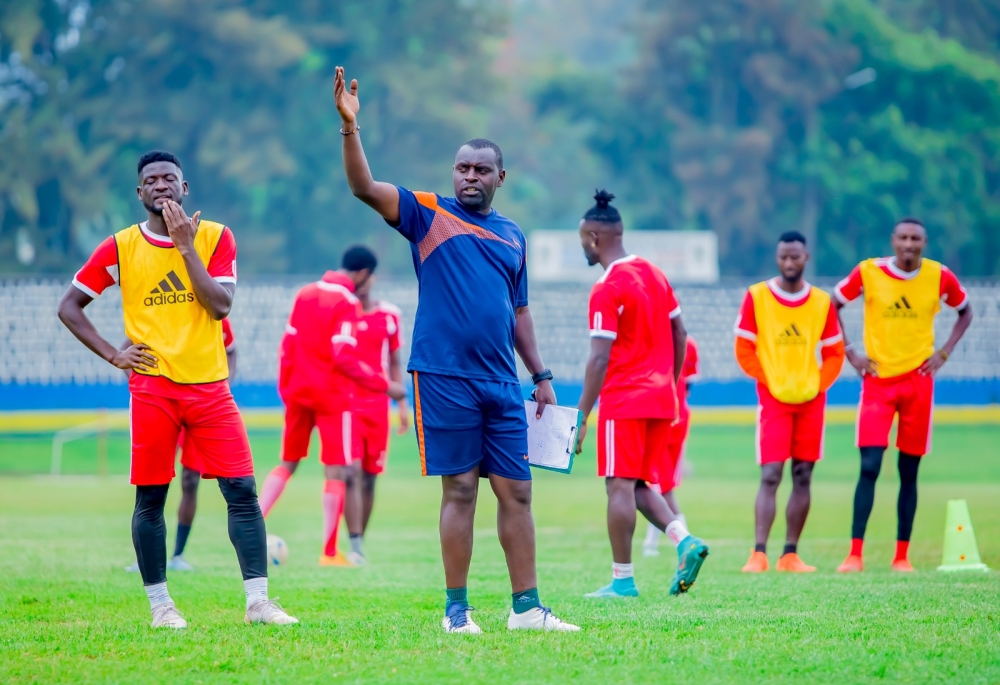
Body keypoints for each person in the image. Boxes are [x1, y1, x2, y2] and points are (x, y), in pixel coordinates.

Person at [334, 66, 578, 633]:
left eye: (481, 170)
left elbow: (518, 310)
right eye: (462, 167)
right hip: (443, 376)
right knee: (462, 489)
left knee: (518, 491)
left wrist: (539, 373)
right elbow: (363, 189)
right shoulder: (427, 212)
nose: (469, 176)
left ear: (500, 177)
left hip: (502, 382)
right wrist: (350, 127)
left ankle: (526, 610)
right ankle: (456, 612)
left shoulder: (514, 235)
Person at [57, 150, 296, 628]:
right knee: (151, 498)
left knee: (243, 492)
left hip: (210, 386)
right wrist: (114, 354)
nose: (161, 185)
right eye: (151, 180)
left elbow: (220, 307)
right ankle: (162, 608)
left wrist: (187, 248)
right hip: (152, 389)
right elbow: (69, 307)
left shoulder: (214, 237)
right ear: (140, 193)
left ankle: (258, 604)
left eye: (170, 178)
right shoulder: (120, 247)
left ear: (185, 189)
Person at [574, 190, 710, 599]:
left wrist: (581, 418)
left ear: (595, 237)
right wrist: (667, 381)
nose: (582, 245)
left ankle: (622, 581)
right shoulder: (654, 273)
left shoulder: (606, 286)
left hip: (625, 398)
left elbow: (599, 359)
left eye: (583, 238)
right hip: (661, 398)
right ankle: (685, 541)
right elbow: (680, 332)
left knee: (617, 485)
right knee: (637, 485)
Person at [834, 219, 973, 573]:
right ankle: (854, 554)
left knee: (908, 470)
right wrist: (850, 351)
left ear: (924, 242)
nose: (909, 244)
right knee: (869, 466)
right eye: (903, 238)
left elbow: (965, 310)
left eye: (916, 238)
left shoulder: (939, 276)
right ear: (892, 241)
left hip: (918, 382)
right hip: (878, 381)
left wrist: (944, 352)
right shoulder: (868, 272)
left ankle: (901, 557)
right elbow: (833, 304)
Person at [256, 246, 405, 567]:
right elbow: (343, 356)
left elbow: (287, 346)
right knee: (337, 471)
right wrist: (386, 386)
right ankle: (328, 553)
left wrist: (287, 389)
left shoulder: (305, 293)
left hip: (297, 392)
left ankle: (249, 527)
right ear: (364, 274)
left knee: (288, 462)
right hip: (332, 397)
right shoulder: (347, 303)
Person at [733, 232, 845, 573]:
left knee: (803, 474)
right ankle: (759, 554)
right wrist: (770, 382)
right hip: (774, 401)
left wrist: (818, 385)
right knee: (770, 475)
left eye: (795, 257)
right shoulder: (757, 296)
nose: (789, 263)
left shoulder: (821, 302)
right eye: (783, 257)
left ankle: (790, 554)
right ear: (777, 258)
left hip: (811, 401)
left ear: (806, 257)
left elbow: (834, 352)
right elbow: (743, 348)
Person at [125, 317, 238, 573]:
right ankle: (148, 558)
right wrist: (137, 381)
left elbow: (231, 350)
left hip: (201, 404)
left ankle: (178, 555)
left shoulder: (213, 314)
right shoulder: (160, 311)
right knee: (153, 485)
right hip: (162, 402)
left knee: (190, 480)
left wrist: (224, 385)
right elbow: (129, 344)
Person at [351, 272, 409, 548]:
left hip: (377, 407)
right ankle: (350, 541)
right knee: (350, 474)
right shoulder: (343, 314)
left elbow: (395, 361)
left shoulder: (389, 316)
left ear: (373, 278)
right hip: (347, 405)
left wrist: (402, 404)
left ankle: (359, 542)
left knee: (369, 478)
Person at [642, 335, 699, 557]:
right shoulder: (655, 341)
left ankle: (681, 541)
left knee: (661, 485)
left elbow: (688, 385)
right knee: (658, 484)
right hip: (662, 413)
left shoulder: (684, 344)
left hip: (668, 416)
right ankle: (683, 541)